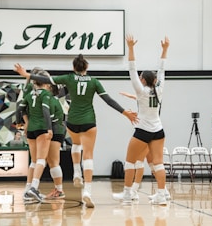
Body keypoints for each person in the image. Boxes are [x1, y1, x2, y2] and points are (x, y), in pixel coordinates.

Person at [14, 55, 137, 208]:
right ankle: (87, 190)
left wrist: (27, 75)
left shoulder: (68, 78)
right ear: (87, 67)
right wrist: (125, 113)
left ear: (74, 67)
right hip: (86, 121)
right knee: (87, 155)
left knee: (74, 145)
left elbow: (44, 83)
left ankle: (76, 172)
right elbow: (109, 100)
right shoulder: (94, 81)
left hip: (71, 121)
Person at [113, 35, 169, 206]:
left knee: (130, 162)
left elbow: (131, 69)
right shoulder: (159, 89)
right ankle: (161, 194)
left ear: (143, 80)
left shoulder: (141, 91)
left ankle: (128, 194)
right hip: (158, 130)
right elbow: (162, 69)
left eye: (140, 77)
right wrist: (165, 50)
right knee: (158, 164)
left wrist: (130, 48)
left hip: (143, 131)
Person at [22, 69, 66, 201]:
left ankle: (58, 190)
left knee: (52, 161)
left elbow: (53, 117)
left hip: (55, 129)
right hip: (44, 129)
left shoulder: (51, 98)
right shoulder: (36, 95)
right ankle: (30, 189)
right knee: (39, 160)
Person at [19, 70, 53, 202]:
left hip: (31, 128)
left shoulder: (29, 94)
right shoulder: (45, 94)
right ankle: (34, 187)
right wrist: (49, 128)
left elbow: (20, 109)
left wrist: (26, 123)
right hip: (42, 128)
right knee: (41, 160)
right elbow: (45, 110)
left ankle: (27, 191)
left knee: (34, 161)